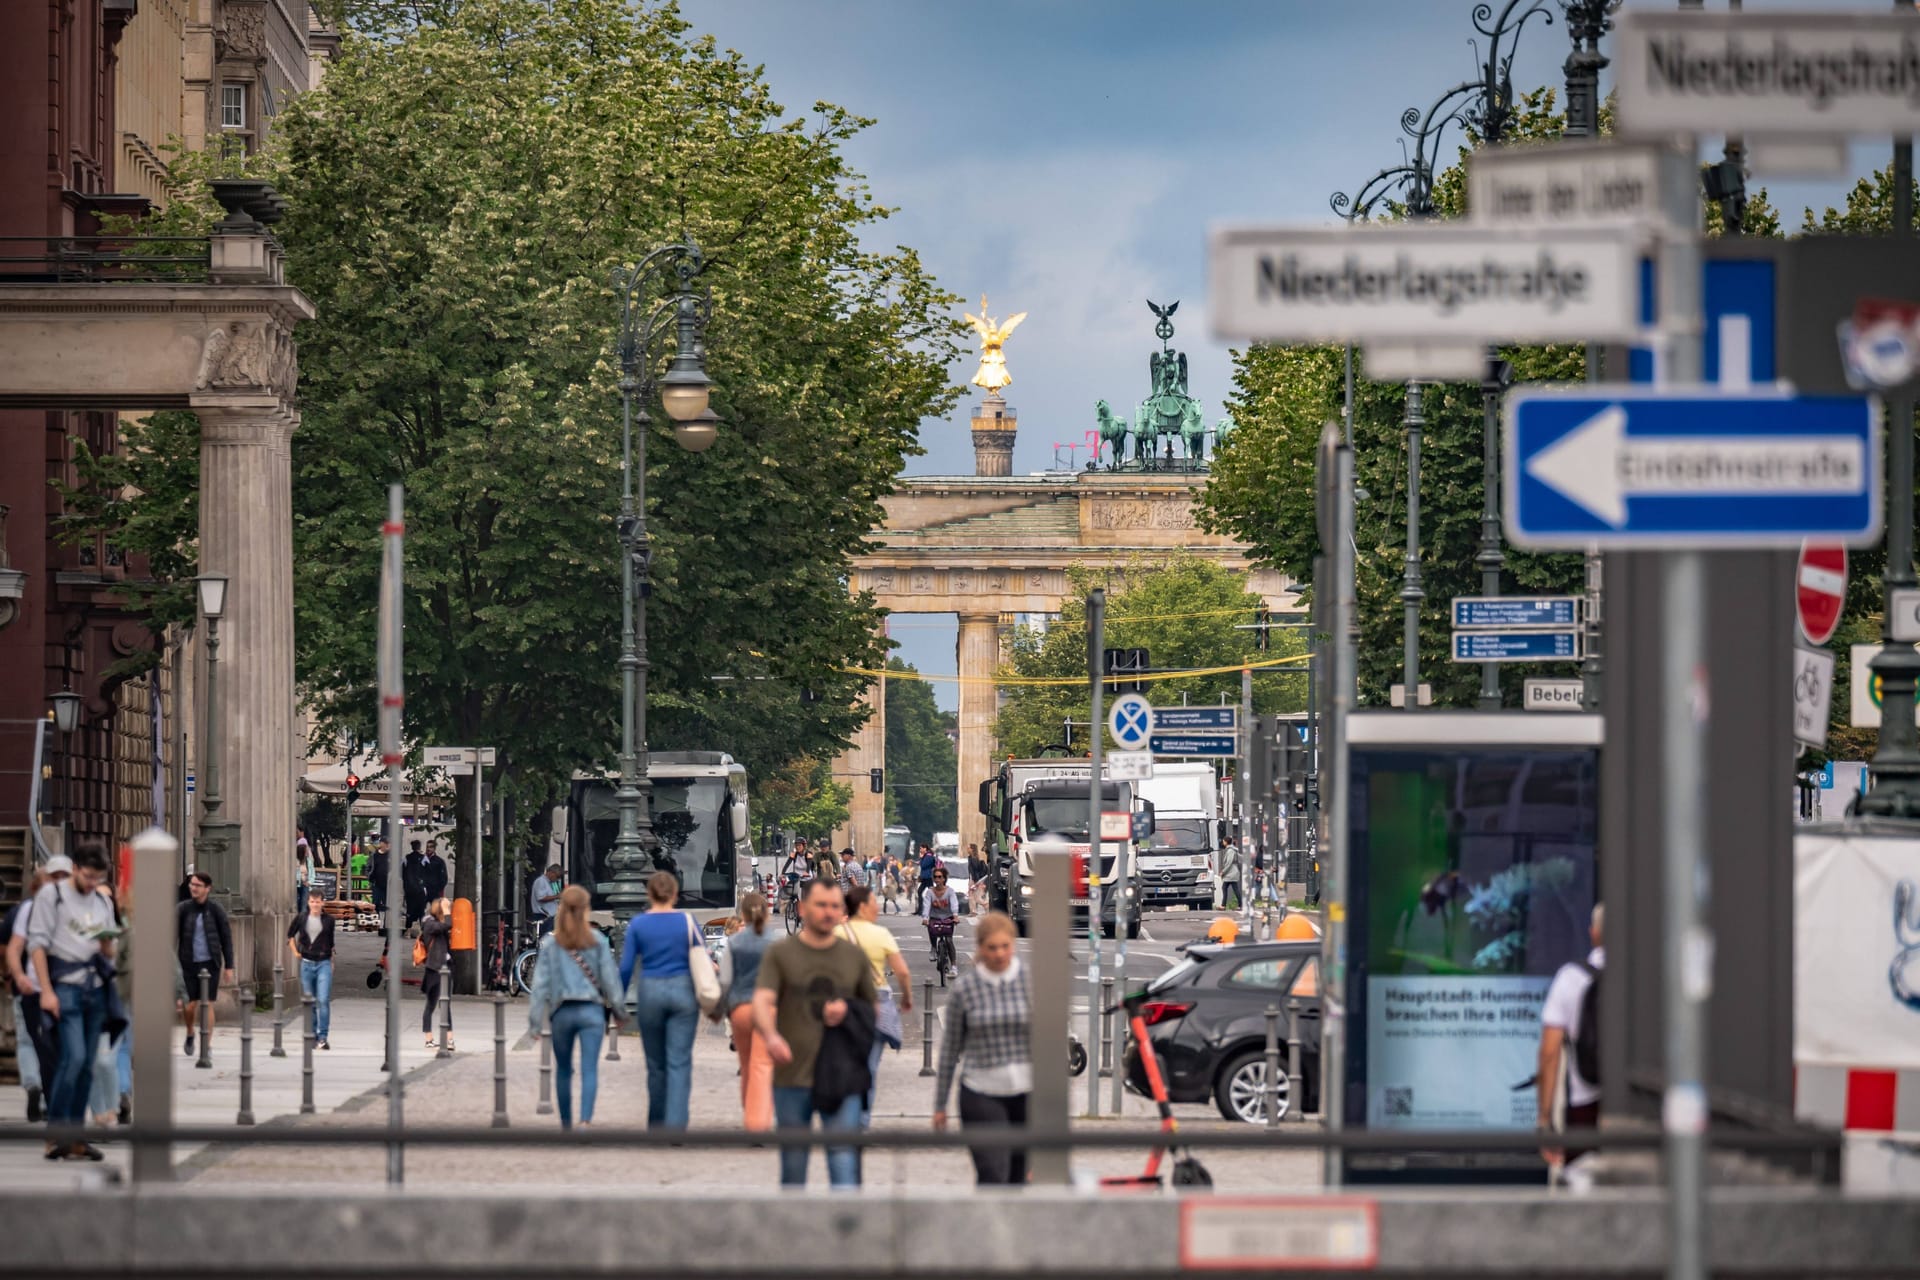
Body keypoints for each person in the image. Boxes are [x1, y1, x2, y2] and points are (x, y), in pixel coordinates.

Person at [752, 877, 877, 1188]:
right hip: (792, 1074)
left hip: (842, 1074)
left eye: (835, 906)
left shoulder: (853, 956)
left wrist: (848, 1011)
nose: (828, 912)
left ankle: (843, 1232)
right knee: (793, 1166)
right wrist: (771, 1036)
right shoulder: (780, 953)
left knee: (842, 1159)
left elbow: (872, 1010)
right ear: (802, 908)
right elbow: (762, 1000)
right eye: (821, 905)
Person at [27, 843, 118, 1161]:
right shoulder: (52, 896)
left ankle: (76, 1136)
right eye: (88, 876)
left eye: (98, 878)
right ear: (77, 868)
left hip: (95, 988)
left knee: (87, 1065)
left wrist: (108, 944)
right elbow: (37, 945)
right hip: (64, 986)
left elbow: (108, 950)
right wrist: (47, 990)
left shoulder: (102, 901)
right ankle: (57, 1132)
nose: (92, 883)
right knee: (73, 1058)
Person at [933, 910, 1033, 1186]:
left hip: (1026, 1091)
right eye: (992, 947)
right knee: (992, 1173)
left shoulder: (1029, 981)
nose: (1000, 954)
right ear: (980, 948)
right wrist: (940, 1104)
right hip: (981, 1090)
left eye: (1005, 946)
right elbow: (950, 1050)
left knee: (1019, 1176)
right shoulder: (966, 988)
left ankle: (1014, 1229)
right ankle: (989, 1228)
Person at [526, 885, 624, 1130]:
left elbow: (539, 987)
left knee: (563, 1070)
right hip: (591, 1011)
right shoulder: (598, 941)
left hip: (562, 1013)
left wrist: (535, 1022)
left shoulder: (551, 944)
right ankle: (585, 1121)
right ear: (586, 909)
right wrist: (620, 1011)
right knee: (589, 1068)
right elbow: (610, 980)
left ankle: (566, 1123)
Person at [618, 870, 702, 1129]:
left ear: (649, 894)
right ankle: (677, 1125)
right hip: (683, 992)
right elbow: (703, 957)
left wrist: (617, 1003)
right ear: (675, 895)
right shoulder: (688, 921)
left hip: (650, 992)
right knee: (679, 1061)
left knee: (655, 1064)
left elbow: (625, 967)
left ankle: (655, 1123)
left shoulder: (638, 924)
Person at [1539, 903, 1605, 1169]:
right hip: (1638, 1110)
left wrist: (1544, 1120)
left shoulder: (1571, 978)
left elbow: (1550, 1052)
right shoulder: (1644, 977)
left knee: (1582, 1195)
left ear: (1593, 934)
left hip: (1583, 1106)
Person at [840, 885, 912, 1124]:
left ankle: (845, 1117)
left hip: (846, 1003)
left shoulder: (837, 933)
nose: (877, 906)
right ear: (861, 907)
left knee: (846, 1062)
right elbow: (902, 972)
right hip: (876, 1004)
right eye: (873, 902)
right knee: (869, 1066)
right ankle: (862, 1121)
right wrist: (907, 998)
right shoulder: (881, 935)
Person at [7, 859, 71, 1122]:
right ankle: (48, 1099)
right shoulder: (29, 910)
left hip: (69, 990)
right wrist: (19, 975)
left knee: (64, 1050)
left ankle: (49, 1098)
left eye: (62, 877)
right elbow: (14, 948)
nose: (56, 883)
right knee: (41, 1046)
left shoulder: (77, 906)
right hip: (36, 991)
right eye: (51, 877)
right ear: (41, 881)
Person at [719, 890, 776, 1131]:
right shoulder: (776, 942)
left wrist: (722, 1008)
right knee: (763, 1065)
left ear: (743, 914)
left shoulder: (734, 942)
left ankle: (749, 1113)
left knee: (746, 1062)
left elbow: (725, 980)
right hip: (768, 1010)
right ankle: (759, 1121)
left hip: (740, 1008)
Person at [175, 871, 234, 1057]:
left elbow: (226, 938)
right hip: (188, 962)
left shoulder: (216, 910)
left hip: (211, 963)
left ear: (207, 888)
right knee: (190, 1005)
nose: (193, 888)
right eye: (192, 884)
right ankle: (190, 1032)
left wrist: (229, 965)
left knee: (207, 1003)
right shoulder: (183, 909)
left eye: (198, 885)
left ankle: (206, 1044)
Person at [287, 889, 336, 1050]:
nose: (315, 904)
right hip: (307, 962)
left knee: (323, 999)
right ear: (308, 902)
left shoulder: (329, 920)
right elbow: (290, 936)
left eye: (317, 901)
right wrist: (296, 953)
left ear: (323, 902)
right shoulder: (302, 918)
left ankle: (323, 1037)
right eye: (312, 901)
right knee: (311, 1002)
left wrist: (332, 962)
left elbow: (331, 942)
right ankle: (312, 1036)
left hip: (323, 962)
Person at [420, 897, 454, 1048]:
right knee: (431, 1005)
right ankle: (429, 1038)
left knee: (445, 1004)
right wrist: (446, 910)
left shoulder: (437, 924)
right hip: (434, 969)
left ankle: (449, 1039)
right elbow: (447, 924)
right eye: (446, 909)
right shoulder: (429, 923)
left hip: (445, 968)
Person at [922, 866, 960, 978]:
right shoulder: (929, 892)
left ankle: (953, 966)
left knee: (949, 940)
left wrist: (955, 916)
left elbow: (954, 904)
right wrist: (925, 917)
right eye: (935, 877)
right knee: (932, 930)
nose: (937, 879)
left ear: (944, 879)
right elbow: (926, 905)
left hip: (948, 917)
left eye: (939, 877)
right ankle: (933, 947)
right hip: (934, 917)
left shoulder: (950, 891)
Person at [401, 840, 429, 927]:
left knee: (409, 908)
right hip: (420, 888)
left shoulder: (406, 858)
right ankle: (422, 929)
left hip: (409, 888)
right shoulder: (424, 858)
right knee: (421, 909)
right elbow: (428, 871)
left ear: (412, 847)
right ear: (419, 847)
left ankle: (408, 930)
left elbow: (402, 872)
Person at [530, 864, 564, 935]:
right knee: (546, 938)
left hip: (549, 917)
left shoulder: (548, 883)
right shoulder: (541, 881)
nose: (557, 879)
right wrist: (557, 896)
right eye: (557, 877)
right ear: (551, 873)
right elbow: (541, 897)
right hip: (543, 916)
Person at [421, 838, 450, 903]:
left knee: (435, 911)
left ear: (434, 849)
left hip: (435, 891)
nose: (428, 849)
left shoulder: (439, 861)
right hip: (423, 890)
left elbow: (444, 877)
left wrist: (438, 889)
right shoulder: (421, 859)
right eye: (427, 847)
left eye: (431, 847)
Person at [966, 843, 990, 915]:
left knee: (976, 896)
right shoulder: (971, 857)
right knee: (972, 895)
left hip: (975, 880)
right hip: (972, 878)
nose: (967, 849)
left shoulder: (974, 859)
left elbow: (975, 870)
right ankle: (973, 911)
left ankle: (985, 904)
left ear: (972, 849)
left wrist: (974, 880)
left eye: (968, 848)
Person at [916, 845, 939, 916]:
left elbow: (923, 865)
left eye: (921, 848)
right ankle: (920, 910)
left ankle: (935, 909)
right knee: (920, 892)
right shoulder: (927, 856)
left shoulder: (928, 856)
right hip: (925, 877)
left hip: (928, 877)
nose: (920, 850)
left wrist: (921, 859)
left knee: (931, 893)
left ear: (925, 849)